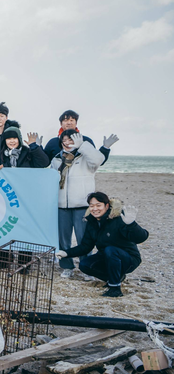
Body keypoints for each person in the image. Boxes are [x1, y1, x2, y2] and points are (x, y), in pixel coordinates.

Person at [56, 192, 148, 297]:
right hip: (108, 257)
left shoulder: (118, 218)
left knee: (110, 250)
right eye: (92, 206)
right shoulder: (92, 222)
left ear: (107, 205)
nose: (95, 209)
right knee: (85, 265)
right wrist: (66, 253)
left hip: (128, 258)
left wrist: (131, 224)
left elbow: (142, 238)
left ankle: (115, 287)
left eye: (98, 205)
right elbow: (85, 246)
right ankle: (117, 277)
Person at [50, 130, 106, 278]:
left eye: (71, 140)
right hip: (62, 206)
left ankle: (86, 267)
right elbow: (49, 180)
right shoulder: (56, 159)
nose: (68, 143)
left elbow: (99, 159)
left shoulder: (85, 158)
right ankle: (67, 266)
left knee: (84, 239)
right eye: (65, 140)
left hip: (82, 205)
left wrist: (83, 146)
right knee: (63, 239)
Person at [44, 110, 117, 162]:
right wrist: (36, 148)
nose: (69, 123)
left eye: (72, 120)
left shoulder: (86, 140)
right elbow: (44, 162)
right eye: (66, 120)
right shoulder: (53, 142)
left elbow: (97, 161)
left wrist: (105, 148)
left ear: (76, 123)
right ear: (61, 123)